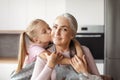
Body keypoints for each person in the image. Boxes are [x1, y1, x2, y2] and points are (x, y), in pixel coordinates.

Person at [31, 13, 102, 80]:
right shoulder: (45, 55)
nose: (57, 32)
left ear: (72, 35)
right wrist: (49, 66)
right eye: (55, 27)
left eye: (64, 29)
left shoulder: (84, 51)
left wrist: (84, 72)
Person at [10, 18, 84, 80]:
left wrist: (77, 46)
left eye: (48, 27)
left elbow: (73, 41)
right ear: (36, 40)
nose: (50, 31)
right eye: (44, 32)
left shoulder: (49, 45)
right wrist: (73, 61)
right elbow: (53, 58)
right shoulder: (35, 49)